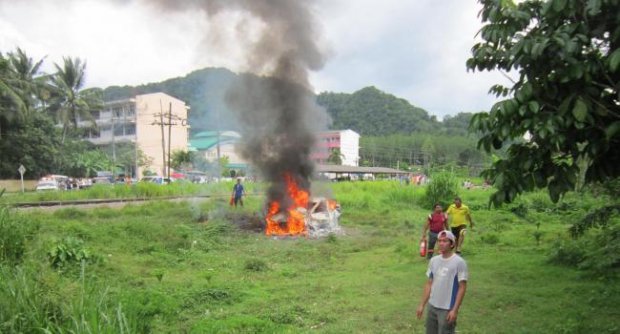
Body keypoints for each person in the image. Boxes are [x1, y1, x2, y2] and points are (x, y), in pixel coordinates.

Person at [416, 230, 468, 334]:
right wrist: (422, 305)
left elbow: (462, 287)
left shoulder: (459, 262)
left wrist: (455, 310)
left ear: (452, 243)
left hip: (447, 309)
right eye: (439, 241)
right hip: (432, 306)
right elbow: (429, 283)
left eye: (445, 241)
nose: (441, 243)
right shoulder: (434, 260)